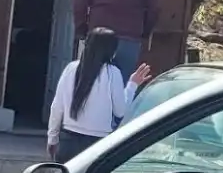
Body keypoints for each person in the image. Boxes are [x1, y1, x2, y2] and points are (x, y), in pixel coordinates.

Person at [48, 27, 152, 163]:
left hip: (68, 141)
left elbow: (57, 107)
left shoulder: (71, 68)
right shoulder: (113, 73)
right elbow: (120, 112)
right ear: (112, 51)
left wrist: (52, 138)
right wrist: (132, 85)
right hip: (98, 144)